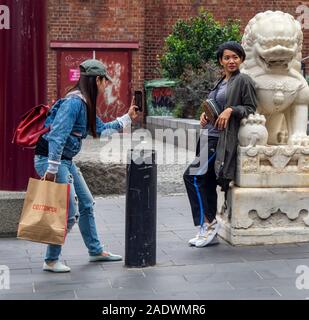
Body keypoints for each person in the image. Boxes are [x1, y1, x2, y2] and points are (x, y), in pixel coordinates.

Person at [34, 59, 139, 272]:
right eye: (104, 81)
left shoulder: (85, 102)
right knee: (68, 211)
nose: (105, 85)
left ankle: (95, 250)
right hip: (51, 160)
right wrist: (52, 170)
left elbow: (100, 129)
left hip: (64, 160)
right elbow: (57, 136)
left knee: (86, 203)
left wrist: (127, 118)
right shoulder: (74, 102)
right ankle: (51, 260)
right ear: (96, 80)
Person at [183, 41, 257, 248]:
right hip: (207, 136)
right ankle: (208, 230)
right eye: (227, 57)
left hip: (220, 140)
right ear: (220, 61)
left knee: (192, 175)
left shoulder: (243, 80)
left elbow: (251, 108)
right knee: (204, 181)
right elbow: (214, 106)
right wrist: (205, 116)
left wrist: (231, 110)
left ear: (241, 59)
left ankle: (208, 224)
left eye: (235, 57)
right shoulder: (220, 82)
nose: (231, 61)